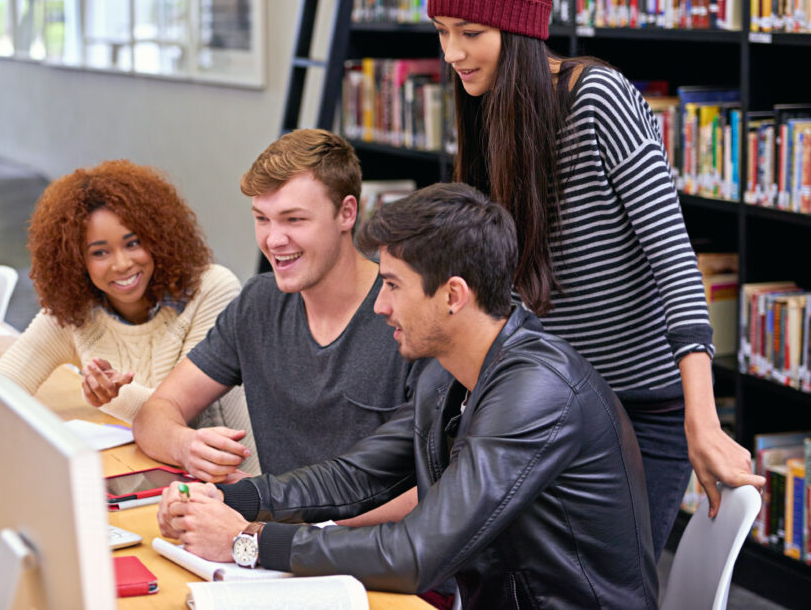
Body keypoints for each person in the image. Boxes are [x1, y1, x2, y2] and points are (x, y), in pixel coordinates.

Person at [157, 183, 658, 609]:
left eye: (393, 285)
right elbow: (356, 477)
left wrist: (247, 541)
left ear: (453, 296)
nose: (379, 305)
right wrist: (223, 498)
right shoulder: (452, 369)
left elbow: (416, 553)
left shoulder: (536, 392)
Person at [425, 0, 763, 555]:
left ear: (520, 29)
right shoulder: (484, 110)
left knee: (606, 585)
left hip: (642, 410)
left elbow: (675, 264)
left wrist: (704, 416)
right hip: (549, 401)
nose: (453, 53)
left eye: (471, 33)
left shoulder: (598, 99)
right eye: (443, 32)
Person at [134, 129, 427, 497]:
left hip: (365, 547)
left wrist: (269, 511)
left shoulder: (409, 315)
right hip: (274, 536)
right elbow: (155, 412)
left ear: (347, 213)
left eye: (294, 220)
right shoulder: (258, 304)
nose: (273, 240)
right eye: (262, 218)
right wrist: (186, 446)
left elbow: (430, 492)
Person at [0, 160, 258, 475]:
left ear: (158, 238)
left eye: (133, 243)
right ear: (76, 261)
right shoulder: (74, 312)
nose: (121, 264)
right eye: (100, 252)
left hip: (239, 488)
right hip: (148, 477)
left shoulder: (211, 289)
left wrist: (115, 397)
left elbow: (186, 419)